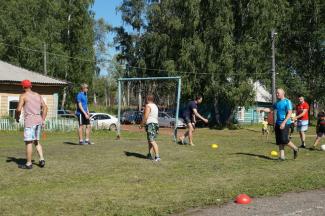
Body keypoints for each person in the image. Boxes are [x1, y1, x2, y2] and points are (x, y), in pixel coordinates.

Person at [15, 80, 48, 169]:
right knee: (36, 141)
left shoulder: (23, 96)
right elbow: (45, 107)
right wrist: (43, 119)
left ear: (23, 87)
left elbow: (18, 109)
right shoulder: (37, 95)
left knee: (28, 142)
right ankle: (41, 159)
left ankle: (29, 164)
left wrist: (16, 117)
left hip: (30, 121)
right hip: (38, 120)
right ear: (31, 86)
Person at [259, 89, 299, 160]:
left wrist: (284, 122)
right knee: (279, 140)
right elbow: (270, 109)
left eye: (278, 93)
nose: (276, 94)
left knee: (284, 139)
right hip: (277, 123)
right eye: (276, 93)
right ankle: (282, 157)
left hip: (286, 123)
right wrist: (263, 110)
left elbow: (289, 113)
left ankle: (295, 148)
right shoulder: (277, 102)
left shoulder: (287, 101)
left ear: (283, 93)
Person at [140, 95, 160, 162]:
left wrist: (141, 125)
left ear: (147, 99)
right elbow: (156, 117)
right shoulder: (155, 106)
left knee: (152, 140)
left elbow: (146, 116)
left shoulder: (148, 106)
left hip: (151, 124)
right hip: (155, 124)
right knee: (150, 140)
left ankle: (157, 156)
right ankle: (149, 155)